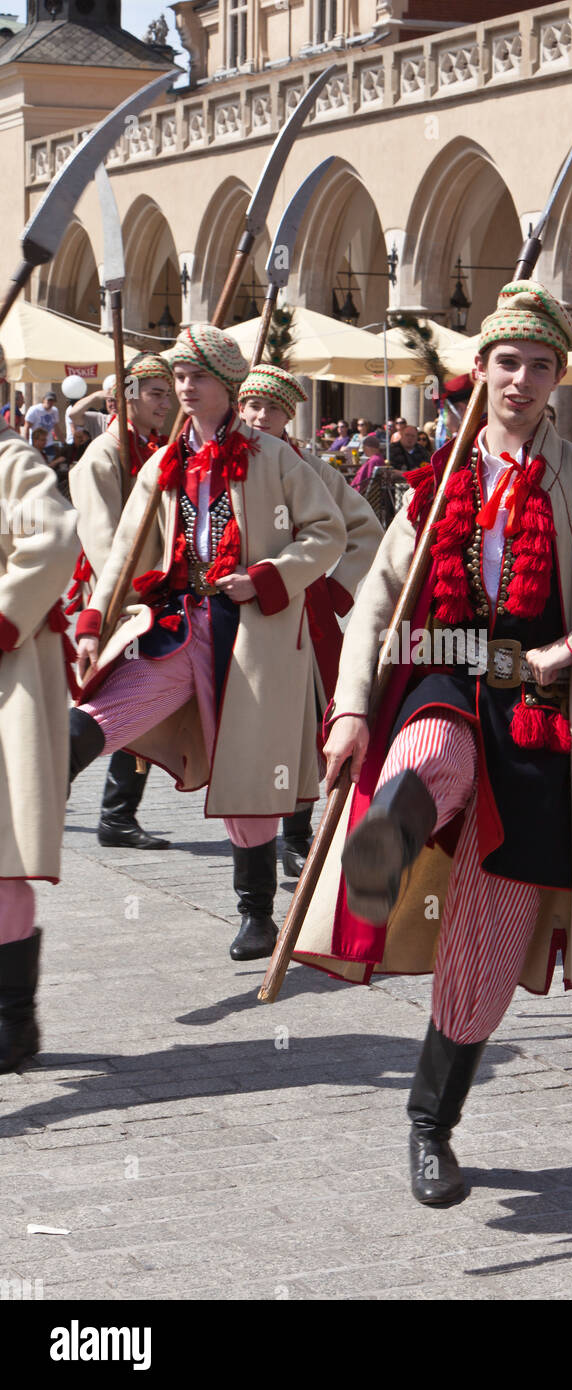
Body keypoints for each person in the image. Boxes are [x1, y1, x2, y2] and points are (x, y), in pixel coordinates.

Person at [289, 281, 572, 1206]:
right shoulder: (434, 486)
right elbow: (373, 611)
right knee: (429, 753)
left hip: (541, 717)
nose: (520, 379)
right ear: (479, 371)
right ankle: (379, 854)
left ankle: (431, 1127)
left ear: (559, 379)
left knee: (482, 949)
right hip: (443, 673)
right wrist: (351, 710)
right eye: (506, 361)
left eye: (540, 365)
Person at [68, 325, 347, 962]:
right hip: (175, 621)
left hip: (251, 635)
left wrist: (267, 578)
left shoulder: (275, 457)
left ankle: (256, 915)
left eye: (195, 379)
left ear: (227, 386)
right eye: (176, 379)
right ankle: (38, 787)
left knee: (245, 770)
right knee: (106, 708)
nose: (183, 390)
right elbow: (123, 552)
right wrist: (94, 622)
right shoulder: (164, 463)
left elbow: (326, 532)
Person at [237, 363, 382, 880]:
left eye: (271, 407)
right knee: (243, 726)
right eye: (251, 405)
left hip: (303, 615)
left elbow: (364, 527)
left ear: (288, 415)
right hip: (235, 614)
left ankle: (296, 837)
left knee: (304, 724)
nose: (259, 415)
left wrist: (335, 589)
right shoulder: (219, 464)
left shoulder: (311, 468)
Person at [0, 340, 80, 1071]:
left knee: (3, 859)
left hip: (7, 678)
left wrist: (1, 616)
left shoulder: (14, 462)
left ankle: (12, 1023)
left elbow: (55, 538)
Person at [67, 352, 174, 851]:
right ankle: (57, 787)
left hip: (151, 599)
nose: (167, 402)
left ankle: (116, 813)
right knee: (115, 705)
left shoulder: (152, 450)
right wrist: (136, 591)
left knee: (140, 703)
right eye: (155, 393)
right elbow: (105, 540)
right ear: (126, 399)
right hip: (119, 605)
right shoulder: (103, 457)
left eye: (169, 393)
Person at [65, 376, 117, 443]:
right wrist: (96, 396)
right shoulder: (100, 420)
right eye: (110, 400)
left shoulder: (131, 420)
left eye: (118, 400)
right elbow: (73, 415)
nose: (114, 404)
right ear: (105, 402)